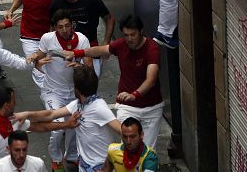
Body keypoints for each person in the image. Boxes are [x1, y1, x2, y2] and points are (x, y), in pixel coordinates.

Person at [63, 15, 164, 149]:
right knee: (128, 146)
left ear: (141, 31)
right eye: (126, 35)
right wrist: (76, 53)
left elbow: (150, 79)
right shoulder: (121, 44)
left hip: (152, 107)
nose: (129, 39)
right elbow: (100, 50)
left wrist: (135, 94)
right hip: (127, 106)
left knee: (148, 151)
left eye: (132, 34)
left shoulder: (152, 48)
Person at [19, 66, 122, 172]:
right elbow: (51, 114)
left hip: (100, 167)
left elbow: (122, 130)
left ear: (76, 90)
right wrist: (27, 114)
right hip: (84, 165)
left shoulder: (99, 107)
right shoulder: (78, 104)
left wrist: (115, 162)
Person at [27, 10, 91, 170]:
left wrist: (80, 66)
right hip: (52, 91)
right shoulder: (47, 39)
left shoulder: (82, 40)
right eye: (60, 27)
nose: (64, 30)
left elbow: (89, 66)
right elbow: (39, 55)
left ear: (72, 25)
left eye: (67, 26)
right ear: (54, 28)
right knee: (57, 127)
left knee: (73, 127)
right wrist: (34, 58)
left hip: (74, 94)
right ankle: (56, 158)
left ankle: (71, 156)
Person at [4, 0, 61, 89]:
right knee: (37, 68)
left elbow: (62, 12)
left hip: (47, 38)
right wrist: (11, 9)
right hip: (28, 36)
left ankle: (52, 95)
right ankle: (48, 96)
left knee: (51, 68)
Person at [49, 0, 114, 75]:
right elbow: (52, 28)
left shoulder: (92, 0)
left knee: (90, 85)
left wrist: (106, 42)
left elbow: (110, 18)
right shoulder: (55, 5)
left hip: (91, 50)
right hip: (65, 52)